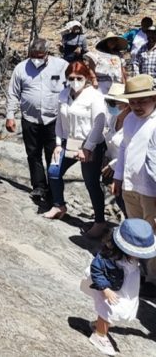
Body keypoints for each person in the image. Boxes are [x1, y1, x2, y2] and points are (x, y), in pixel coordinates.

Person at [44, 62, 108, 238]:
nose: (75, 82)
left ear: (86, 78)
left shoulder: (94, 96)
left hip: (90, 143)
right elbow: (59, 121)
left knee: (91, 182)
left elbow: (99, 124)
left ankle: (100, 221)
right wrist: (58, 143)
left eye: (79, 78)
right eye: (71, 78)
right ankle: (59, 205)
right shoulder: (64, 94)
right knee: (54, 171)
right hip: (68, 142)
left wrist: (88, 147)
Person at [5, 38, 68, 202]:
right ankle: (39, 187)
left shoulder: (61, 66)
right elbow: (13, 93)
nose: (37, 59)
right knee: (33, 154)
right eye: (33, 55)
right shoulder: (21, 68)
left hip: (54, 120)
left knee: (53, 156)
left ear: (47, 53)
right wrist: (10, 115)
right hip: (30, 119)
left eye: (40, 55)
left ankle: (54, 191)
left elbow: (70, 88)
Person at [81, 218, 156, 356]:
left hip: (125, 285)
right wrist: (105, 289)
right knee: (107, 308)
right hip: (110, 287)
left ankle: (99, 324)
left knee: (123, 308)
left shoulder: (130, 257)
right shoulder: (109, 256)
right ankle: (100, 335)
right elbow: (96, 270)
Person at [112, 74, 156, 287]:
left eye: (142, 101)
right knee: (135, 231)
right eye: (133, 101)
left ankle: (152, 278)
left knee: (152, 234)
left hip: (150, 189)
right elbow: (123, 148)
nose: (137, 106)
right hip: (131, 184)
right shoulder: (129, 119)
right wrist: (118, 177)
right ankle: (138, 272)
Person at [102, 83, 130, 217]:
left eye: (114, 103)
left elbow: (132, 150)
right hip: (112, 170)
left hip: (127, 172)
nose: (110, 106)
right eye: (109, 102)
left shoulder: (133, 123)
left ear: (126, 105)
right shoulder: (112, 119)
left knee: (129, 207)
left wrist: (113, 165)